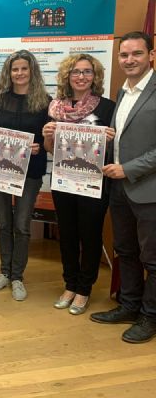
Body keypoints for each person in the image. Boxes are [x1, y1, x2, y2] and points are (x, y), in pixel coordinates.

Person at [91, 31, 156, 343]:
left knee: (152, 259)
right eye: (124, 55)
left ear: (151, 56)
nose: (129, 60)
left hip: (148, 190)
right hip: (119, 189)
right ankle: (129, 306)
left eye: (137, 54)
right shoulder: (123, 91)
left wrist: (127, 169)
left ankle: (150, 317)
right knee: (126, 250)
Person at [42, 54, 115, 315]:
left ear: (95, 76)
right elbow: (51, 149)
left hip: (93, 182)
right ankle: (70, 284)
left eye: (87, 72)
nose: (81, 77)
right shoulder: (56, 108)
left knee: (90, 234)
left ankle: (84, 288)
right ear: (67, 76)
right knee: (67, 234)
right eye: (75, 72)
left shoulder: (107, 107)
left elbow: (114, 149)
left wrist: (110, 139)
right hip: (64, 180)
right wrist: (47, 136)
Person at [0, 50, 50, 301]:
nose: (19, 73)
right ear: (9, 73)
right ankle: (4, 272)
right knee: (3, 223)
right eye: (15, 69)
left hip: (30, 172)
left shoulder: (45, 102)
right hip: (0, 170)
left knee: (21, 225)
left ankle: (18, 276)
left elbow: (49, 140)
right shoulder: (0, 100)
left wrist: (40, 146)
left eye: (24, 68)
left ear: (32, 71)